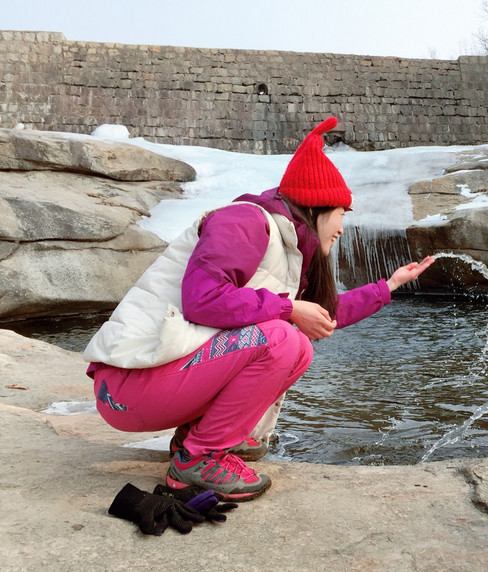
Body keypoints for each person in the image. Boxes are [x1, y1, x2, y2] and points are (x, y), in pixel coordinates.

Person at [84, 117, 434, 502]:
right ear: (318, 206)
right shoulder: (245, 221)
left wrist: (389, 285)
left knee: (297, 343)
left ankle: (199, 439)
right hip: (127, 387)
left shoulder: (290, 250)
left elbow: (323, 315)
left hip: (156, 383)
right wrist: (288, 309)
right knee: (284, 340)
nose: (342, 227)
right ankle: (199, 459)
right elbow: (202, 300)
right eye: (342, 213)